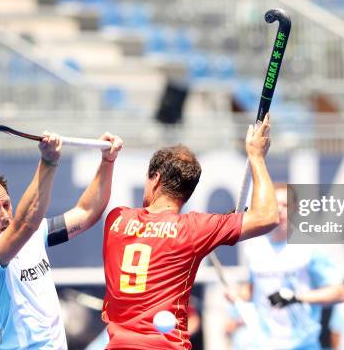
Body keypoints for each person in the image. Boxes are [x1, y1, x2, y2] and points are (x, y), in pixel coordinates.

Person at [101, 113, 279, 349]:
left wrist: (107, 161)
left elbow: (90, 209)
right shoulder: (194, 228)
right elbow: (268, 216)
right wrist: (256, 157)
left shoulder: (116, 219)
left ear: (156, 178)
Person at [0, 131, 123, 349]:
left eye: (6, 204)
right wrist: (48, 162)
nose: (4, 215)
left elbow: (87, 212)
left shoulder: (34, 233)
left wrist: (107, 161)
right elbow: (25, 224)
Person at [228, 183, 344, 350]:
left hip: (303, 344)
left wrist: (296, 297)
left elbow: (340, 293)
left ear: (295, 210)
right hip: (263, 344)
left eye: (285, 205)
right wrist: (237, 295)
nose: (279, 210)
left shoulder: (310, 248)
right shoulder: (254, 248)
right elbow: (252, 289)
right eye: (274, 204)